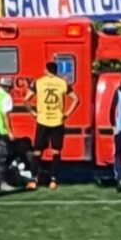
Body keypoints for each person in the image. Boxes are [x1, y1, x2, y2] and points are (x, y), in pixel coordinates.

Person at [24, 61, 79, 190]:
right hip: (57, 122)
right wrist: (67, 114)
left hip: (42, 120)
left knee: (37, 152)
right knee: (56, 152)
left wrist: (32, 112)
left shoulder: (39, 82)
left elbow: (26, 99)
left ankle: (33, 180)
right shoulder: (62, 83)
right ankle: (53, 180)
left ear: (46, 70)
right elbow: (76, 99)